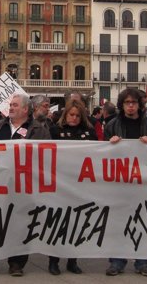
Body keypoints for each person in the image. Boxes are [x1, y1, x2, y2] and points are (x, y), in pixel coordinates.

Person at [0, 93, 51, 277]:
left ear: (26, 109)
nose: (11, 107)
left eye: (15, 105)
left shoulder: (38, 130)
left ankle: (16, 263)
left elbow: (46, 156)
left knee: (20, 223)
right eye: (11, 105)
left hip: (23, 185)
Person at [105, 88, 147, 277]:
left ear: (140, 105)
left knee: (143, 222)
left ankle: (143, 261)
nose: (130, 106)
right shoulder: (111, 125)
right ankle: (117, 262)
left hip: (144, 182)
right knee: (118, 223)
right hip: (118, 182)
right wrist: (108, 144)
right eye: (127, 102)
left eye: (134, 102)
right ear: (121, 105)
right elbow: (99, 153)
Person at [48, 99, 96, 275]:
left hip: (79, 184)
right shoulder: (55, 131)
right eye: (71, 114)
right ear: (65, 114)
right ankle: (53, 261)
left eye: (77, 115)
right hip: (59, 183)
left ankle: (72, 260)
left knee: (76, 223)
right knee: (57, 223)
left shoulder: (89, 132)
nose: (74, 118)